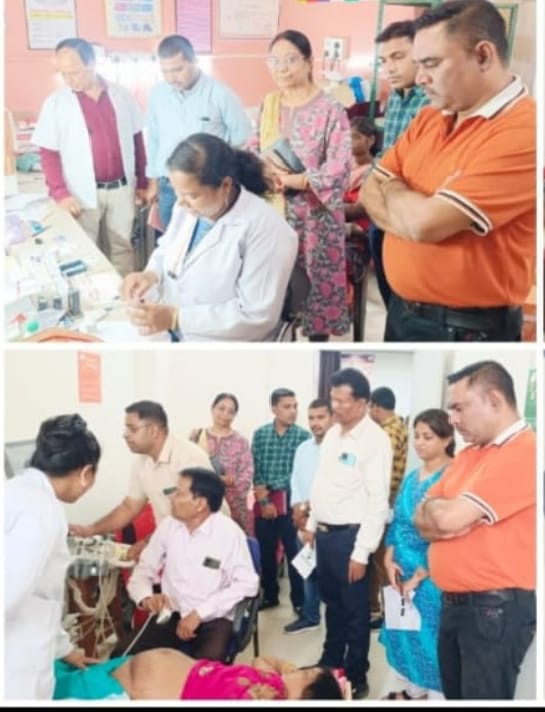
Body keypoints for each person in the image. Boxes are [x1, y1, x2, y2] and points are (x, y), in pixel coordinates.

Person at [360, 0, 535, 341]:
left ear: (482, 56)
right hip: (403, 310)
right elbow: (370, 190)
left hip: (465, 327)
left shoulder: (524, 130)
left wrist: (392, 186)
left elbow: (424, 225)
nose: (420, 78)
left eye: (431, 64)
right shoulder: (431, 117)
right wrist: (405, 203)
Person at [414, 361, 536, 699]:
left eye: (458, 408)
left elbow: (446, 520)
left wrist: (443, 513)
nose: (452, 419)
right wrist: (442, 513)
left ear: (494, 400)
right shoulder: (470, 455)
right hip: (456, 605)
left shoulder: (526, 451)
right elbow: (420, 517)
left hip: (492, 610)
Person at [121, 133, 298, 341]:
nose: (181, 202)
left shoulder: (267, 230)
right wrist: (150, 275)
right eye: (178, 192)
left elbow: (256, 315)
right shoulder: (188, 207)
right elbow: (166, 250)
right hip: (177, 337)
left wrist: (176, 318)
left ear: (225, 186)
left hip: (229, 348)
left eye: (192, 195)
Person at [248, 29, 352, 341]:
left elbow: (340, 167)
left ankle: (316, 345)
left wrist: (299, 180)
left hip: (317, 218)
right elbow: (254, 147)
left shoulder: (330, 109)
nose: (281, 68)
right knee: (277, 292)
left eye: (290, 60)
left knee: (317, 295)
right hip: (275, 214)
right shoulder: (269, 104)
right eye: (274, 61)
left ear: (308, 62)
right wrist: (263, 171)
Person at [306, 368, 392, 699]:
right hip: (326, 536)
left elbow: (378, 503)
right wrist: (312, 524)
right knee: (332, 604)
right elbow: (322, 484)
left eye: (343, 401)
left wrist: (361, 552)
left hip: (351, 539)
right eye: (334, 399)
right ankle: (331, 662)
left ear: (362, 402)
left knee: (355, 612)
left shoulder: (374, 441)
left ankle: (356, 674)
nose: (337, 407)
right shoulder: (333, 435)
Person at [5, 414, 102, 699]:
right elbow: (9, 593)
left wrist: (65, 649)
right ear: (86, 473)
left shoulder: (14, 491)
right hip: (15, 668)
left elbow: (40, 597)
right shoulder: (43, 511)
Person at [32, 38, 147, 276]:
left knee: (123, 247)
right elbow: (48, 153)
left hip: (121, 189)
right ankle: (96, 295)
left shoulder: (122, 95)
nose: (69, 80)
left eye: (74, 72)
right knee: (85, 251)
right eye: (63, 74)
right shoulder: (56, 103)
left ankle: (124, 293)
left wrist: (143, 182)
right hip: (80, 192)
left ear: (92, 63)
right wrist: (60, 193)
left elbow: (137, 141)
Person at [117, 468, 258, 661]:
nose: (171, 498)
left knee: (205, 670)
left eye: (179, 493)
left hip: (214, 616)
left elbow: (247, 584)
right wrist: (146, 598)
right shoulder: (168, 526)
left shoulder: (229, 533)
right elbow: (143, 571)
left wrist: (199, 613)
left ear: (200, 504)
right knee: (121, 658)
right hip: (172, 612)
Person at [69, 401, 211, 560]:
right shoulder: (142, 462)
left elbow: (193, 515)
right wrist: (90, 530)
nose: (125, 434)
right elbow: (129, 507)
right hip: (175, 545)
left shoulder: (189, 458)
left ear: (153, 430)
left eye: (132, 429)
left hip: (206, 545)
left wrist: (148, 542)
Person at [379, 409, 454, 700]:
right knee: (404, 634)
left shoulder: (452, 476)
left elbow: (447, 534)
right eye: (417, 436)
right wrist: (388, 557)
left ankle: (435, 694)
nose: (419, 443)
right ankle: (413, 691)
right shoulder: (412, 477)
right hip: (401, 571)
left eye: (428, 437)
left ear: (446, 439)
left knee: (430, 637)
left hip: (432, 576)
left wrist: (419, 576)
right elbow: (398, 521)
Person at [146, 34, 251, 232]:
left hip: (206, 187)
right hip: (169, 186)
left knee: (207, 241)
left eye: (178, 70)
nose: (171, 78)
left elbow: (242, 138)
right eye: (165, 71)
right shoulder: (157, 95)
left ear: (194, 61)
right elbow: (153, 139)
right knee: (172, 242)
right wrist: (153, 182)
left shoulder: (220, 94)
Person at [368, 20, 430, 307]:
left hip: (409, 209)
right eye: (384, 61)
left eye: (398, 57)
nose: (389, 68)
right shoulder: (396, 96)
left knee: (409, 301)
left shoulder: (432, 101)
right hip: (381, 208)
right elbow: (384, 155)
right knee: (390, 297)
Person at [53, 648, 344, 700]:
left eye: (305, 676)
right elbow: (263, 659)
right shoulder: (274, 681)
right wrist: (287, 667)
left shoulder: (270, 696)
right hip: (126, 670)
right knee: (54, 672)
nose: (298, 672)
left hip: (130, 691)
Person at [252, 388, 311, 612]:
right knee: (266, 553)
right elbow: (256, 468)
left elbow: (298, 473)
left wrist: (271, 487)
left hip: (292, 504)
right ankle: (270, 595)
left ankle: (300, 601)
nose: (293, 411)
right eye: (287, 407)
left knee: (295, 553)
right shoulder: (260, 435)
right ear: (274, 408)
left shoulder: (303, 437)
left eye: (295, 406)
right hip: (264, 503)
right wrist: (264, 501)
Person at [284, 398, 333, 635]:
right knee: (307, 571)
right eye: (311, 418)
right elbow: (295, 480)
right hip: (303, 520)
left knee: (331, 576)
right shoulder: (303, 448)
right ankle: (311, 615)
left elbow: (331, 488)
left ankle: (335, 622)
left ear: (332, 418)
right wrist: (298, 511)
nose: (315, 423)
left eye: (321, 417)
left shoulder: (338, 450)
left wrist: (308, 513)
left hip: (328, 523)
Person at [368, 386, 409, 628]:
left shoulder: (388, 433)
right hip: (386, 502)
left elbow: (379, 471)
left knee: (382, 562)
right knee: (379, 561)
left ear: (375, 407)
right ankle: (379, 611)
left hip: (381, 504)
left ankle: (386, 615)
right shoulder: (396, 426)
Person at [189, 392, 254, 535]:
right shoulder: (196, 436)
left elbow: (247, 475)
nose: (225, 414)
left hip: (233, 508)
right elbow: (186, 468)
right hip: (200, 504)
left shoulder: (241, 442)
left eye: (231, 411)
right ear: (212, 408)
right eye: (221, 408)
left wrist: (231, 482)